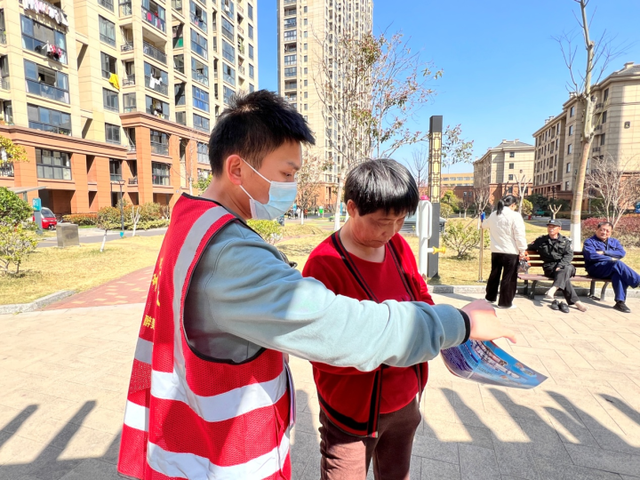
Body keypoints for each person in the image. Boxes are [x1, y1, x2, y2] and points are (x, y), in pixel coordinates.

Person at [117, 90, 516, 480]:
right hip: (222, 456)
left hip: (194, 444)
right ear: (237, 169)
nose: (291, 186)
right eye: (287, 174)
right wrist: (460, 324)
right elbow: (343, 329)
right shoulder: (232, 255)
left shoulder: (193, 222)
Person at [302, 159, 434, 479]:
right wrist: (392, 345)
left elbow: (422, 298)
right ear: (351, 207)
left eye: (400, 220)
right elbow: (322, 352)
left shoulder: (398, 246)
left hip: (405, 404)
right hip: (351, 415)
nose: (389, 231)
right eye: (380, 221)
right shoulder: (324, 264)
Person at [527, 219, 588, 313]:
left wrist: (561, 265)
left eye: (553, 227)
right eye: (549, 226)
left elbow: (569, 255)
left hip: (566, 266)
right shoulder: (541, 240)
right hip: (550, 268)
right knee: (564, 276)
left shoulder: (565, 241)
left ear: (559, 228)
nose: (551, 229)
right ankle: (576, 301)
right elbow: (528, 247)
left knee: (565, 269)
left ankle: (554, 288)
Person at [583, 221, 640, 313]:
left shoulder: (614, 241)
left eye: (607, 231)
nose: (604, 232)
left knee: (618, 273)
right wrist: (611, 258)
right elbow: (592, 256)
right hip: (596, 269)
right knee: (617, 264)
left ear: (611, 232)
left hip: (611, 268)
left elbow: (621, 253)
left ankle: (620, 302)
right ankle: (638, 281)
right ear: (596, 230)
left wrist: (605, 252)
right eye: (602, 230)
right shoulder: (589, 242)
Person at [482, 194, 528, 309]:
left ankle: (490, 297)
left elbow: (484, 225)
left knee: (494, 275)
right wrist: (522, 249)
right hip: (511, 251)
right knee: (509, 278)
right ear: (513, 205)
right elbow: (519, 235)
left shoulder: (494, 214)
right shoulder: (515, 216)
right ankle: (505, 302)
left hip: (496, 250)